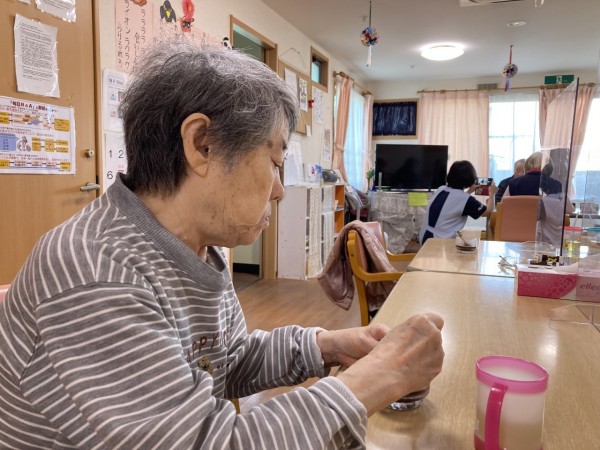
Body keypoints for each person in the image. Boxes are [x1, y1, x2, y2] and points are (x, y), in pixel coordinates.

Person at [0, 40, 444, 449]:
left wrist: (326, 346)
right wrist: (377, 378)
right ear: (202, 144)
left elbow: (225, 359)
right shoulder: (94, 272)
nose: (279, 190)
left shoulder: (195, 248)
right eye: (274, 161)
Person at [419, 160, 497, 245]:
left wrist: (469, 192)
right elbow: (488, 212)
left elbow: (453, 202)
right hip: (440, 242)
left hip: (425, 238)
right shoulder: (466, 199)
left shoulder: (441, 189)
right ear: (470, 178)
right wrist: (492, 194)